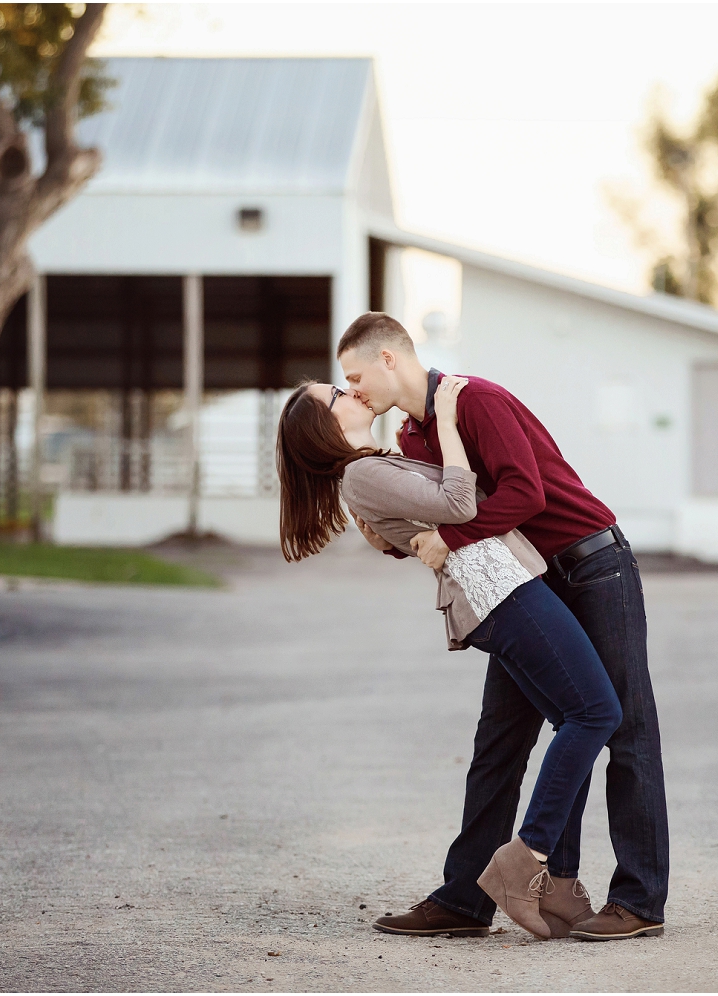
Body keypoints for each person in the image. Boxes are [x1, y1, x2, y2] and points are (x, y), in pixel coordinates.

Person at [337, 312, 669, 942]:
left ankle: (639, 900)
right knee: (501, 736)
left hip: (592, 563)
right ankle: (466, 900)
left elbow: (527, 495)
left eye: (356, 376)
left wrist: (448, 537)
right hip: (528, 583)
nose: (355, 391)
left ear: (389, 360)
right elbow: (436, 520)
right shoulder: (413, 436)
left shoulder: (476, 400)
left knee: (622, 726)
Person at [275, 375, 620, 940]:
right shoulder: (362, 473)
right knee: (595, 714)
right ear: (326, 427)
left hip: (505, 588)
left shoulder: (371, 468)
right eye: (336, 395)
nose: (349, 391)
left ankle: (518, 887)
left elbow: (418, 526)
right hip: (502, 594)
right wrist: (451, 420)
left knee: (545, 729)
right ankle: (525, 861)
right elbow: (460, 501)